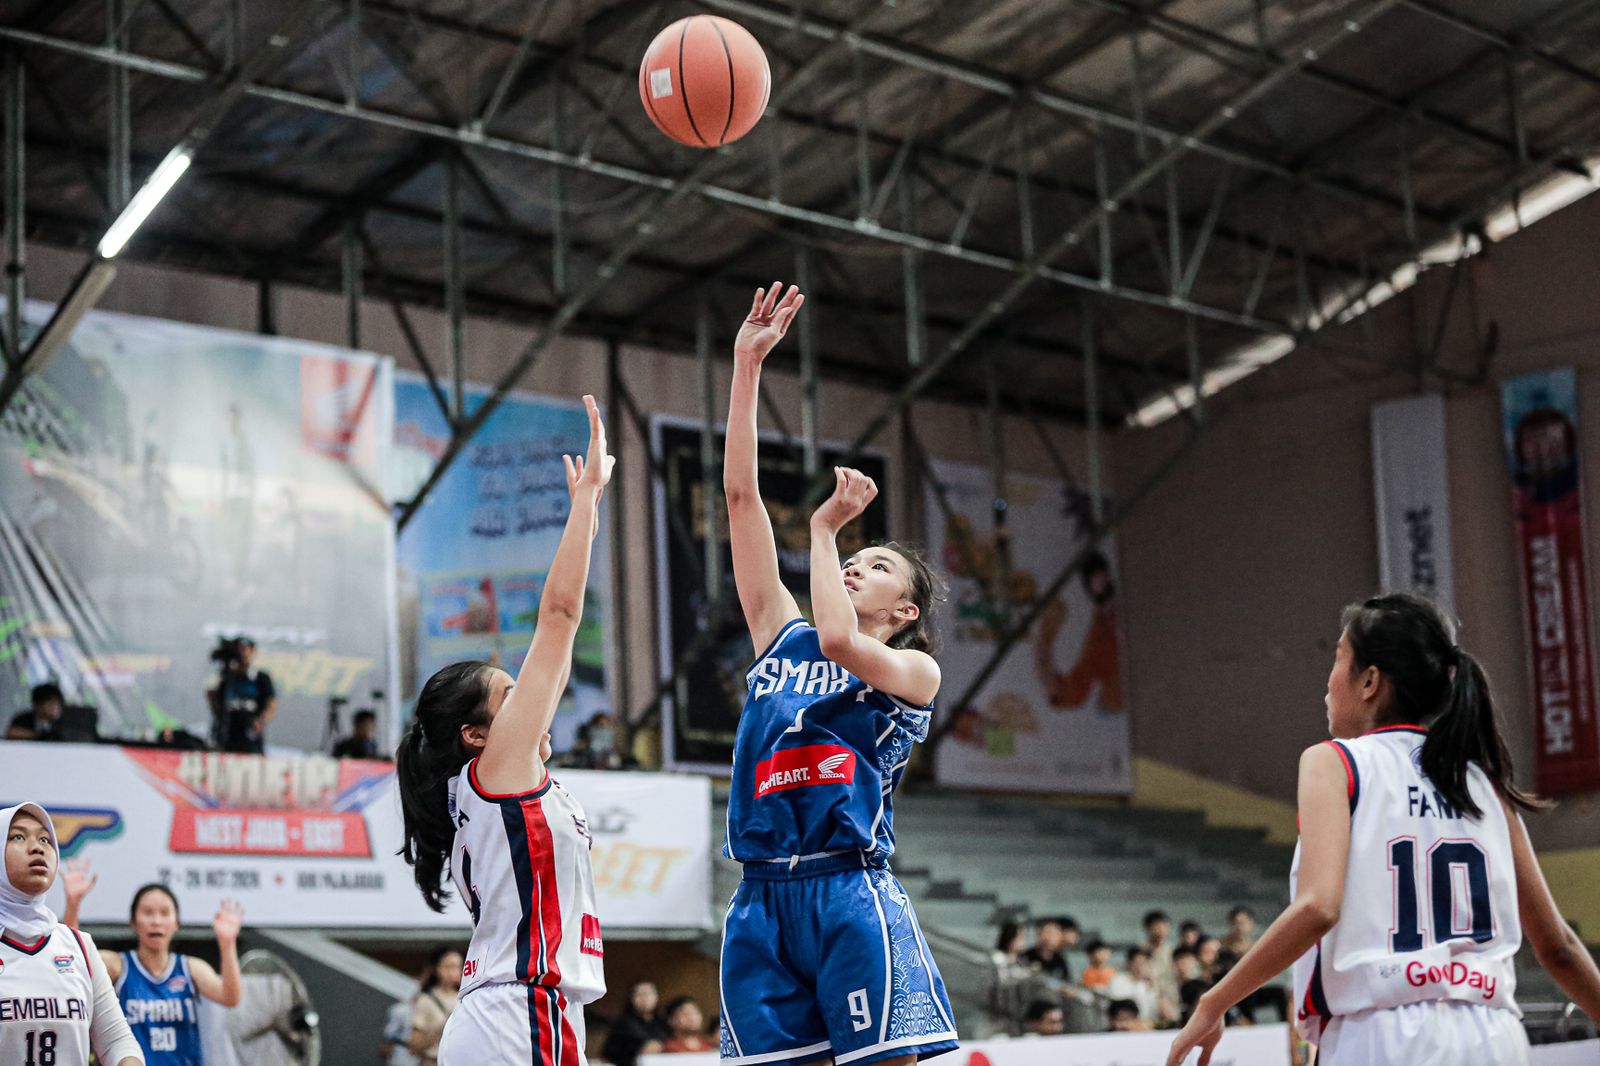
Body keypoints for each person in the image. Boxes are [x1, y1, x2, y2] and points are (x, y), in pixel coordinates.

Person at [1167, 593, 1600, 1066]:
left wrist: (1214, 1001)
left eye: (1337, 659)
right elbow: (1557, 946)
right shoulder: (1482, 781)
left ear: (1370, 681)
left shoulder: (1335, 762)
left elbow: (1318, 907)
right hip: (1495, 1036)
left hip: (1385, 1036)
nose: (1328, 683)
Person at [718, 282, 959, 1066]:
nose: (856, 564)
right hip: (759, 896)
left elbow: (836, 640)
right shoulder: (775, 639)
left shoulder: (912, 671)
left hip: (847, 890)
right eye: (851, 557)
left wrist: (824, 531)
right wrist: (746, 367)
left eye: (876, 563)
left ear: (907, 611)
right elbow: (740, 498)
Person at [395, 395, 613, 1064]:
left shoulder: (496, 783)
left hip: (507, 1014)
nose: (530, 706)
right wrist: (586, 505)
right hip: (520, 1012)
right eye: (511, 697)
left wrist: (590, 512)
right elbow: (559, 617)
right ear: (477, 735)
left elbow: (564, 642)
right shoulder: (496, 777)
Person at [0, 802, 145, 1066]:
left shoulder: (79, 945)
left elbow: (116, 1040)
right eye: (18, 837)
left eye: (45, 839)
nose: (37, 847)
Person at [60, 859, 244, 1066]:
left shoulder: (191, 968)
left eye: (165, 913)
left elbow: (230, 997)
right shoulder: (117, 966)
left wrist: (227, 944)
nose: (156, 921)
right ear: (133, 921)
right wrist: (73, 904)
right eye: (148, 913)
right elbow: (72, 963)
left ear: (177, 922)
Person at [207, 638, 275, 754]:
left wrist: (260, 720)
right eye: (239, 650)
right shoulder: (227, 679)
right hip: (228, 735)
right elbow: (215, 702)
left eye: (245, 649)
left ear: (252, 651)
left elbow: (271, 704)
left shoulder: (260, 678)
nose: (242, 654)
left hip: (250, 735)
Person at [406, 947, 462, 1066]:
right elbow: (414, 1044)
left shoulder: (465, 999)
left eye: (457, 967)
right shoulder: (426, 1000)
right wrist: (440, 1030)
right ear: (436, 969)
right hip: (432, 1061)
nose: (453, 972)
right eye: (448, 967)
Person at [599, 980, 669, 1066]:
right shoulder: (622, 1024)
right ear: (631, 999)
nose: (645, 998)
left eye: (649, 993)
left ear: (656, 997)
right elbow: (608, 1055)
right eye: (639, 994)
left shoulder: (664, 1023)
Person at [1020, 915, 1078, 983]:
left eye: (1058, 933)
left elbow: (1066, 982)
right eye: (1051, 933)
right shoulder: (1026, 957)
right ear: (1039, 933)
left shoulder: (1060, 961)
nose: (1056, 937)